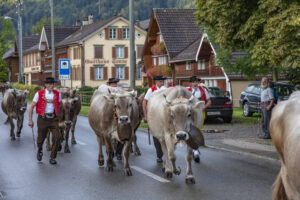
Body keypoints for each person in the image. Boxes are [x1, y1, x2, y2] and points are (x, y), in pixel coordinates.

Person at [28, 77, 62, 165]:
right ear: (45, 85)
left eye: (53, 84)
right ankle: (39, 151)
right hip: (43, 119)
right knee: (41, 139)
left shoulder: (58, 94)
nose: (52, 85)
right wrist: (30, 120)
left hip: (54, 119)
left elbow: (60, 105)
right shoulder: (39, 94)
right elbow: (31, 107)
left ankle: (52, 157)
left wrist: (60, 117)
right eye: (50, 84)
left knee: (57, 137)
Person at [143, 75, 167, 163]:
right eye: (160, 81)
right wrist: (146, 116)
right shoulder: (151, 90)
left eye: (162, 81)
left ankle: (166, 154)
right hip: (154, 117)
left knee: (166, 135)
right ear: (156, 82)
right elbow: (144, 102)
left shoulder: (166, 90)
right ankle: (159, 155)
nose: (162, 83)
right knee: (156, 136)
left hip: (164, 117)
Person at [187, 76, 211, 163]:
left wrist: (205, 106)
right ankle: (195, 151)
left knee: (198, 131)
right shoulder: (187, 91)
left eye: (196, 81)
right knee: (192, 131)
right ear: (190, 83)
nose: (195, 83)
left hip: (201, 113)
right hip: (191, 114)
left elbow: (209, 101)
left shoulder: (203, 90)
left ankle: (194, 149)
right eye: (193, 82)